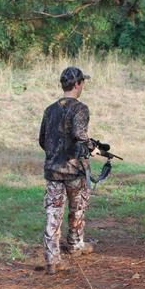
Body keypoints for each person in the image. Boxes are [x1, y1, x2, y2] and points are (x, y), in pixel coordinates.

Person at [39, 66, 95, 275]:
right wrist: (93, 148)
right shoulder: (80, 109)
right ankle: (75, 244)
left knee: (53, 213)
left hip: (53, 170)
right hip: (74, 170)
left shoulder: (50, 109)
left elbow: (42, 140)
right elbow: (80, 135)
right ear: (78, 84)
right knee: (77, 207)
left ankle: (52, 259)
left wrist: (55, 154)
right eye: (83, 83)